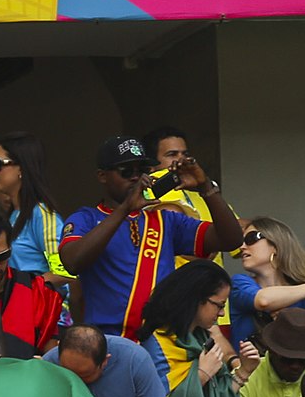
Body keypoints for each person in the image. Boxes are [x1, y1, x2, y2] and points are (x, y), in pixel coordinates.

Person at [59, 135, 242, 340]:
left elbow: (231, 240)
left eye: (142, 171)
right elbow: (72, 262)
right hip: (108, 342)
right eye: (127, 171)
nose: (136, 178)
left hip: (160, 343)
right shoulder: (86, 218)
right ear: (102, 175)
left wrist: (205, 188)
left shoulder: (166, 220)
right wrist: (125, 209)